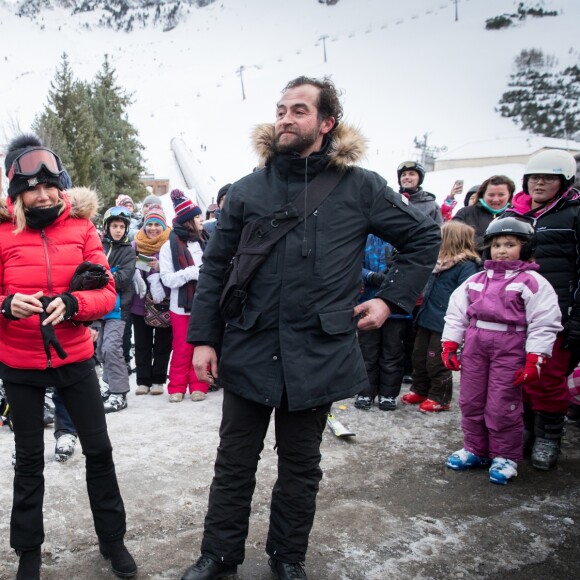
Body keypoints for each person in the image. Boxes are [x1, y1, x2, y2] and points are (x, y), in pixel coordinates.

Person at [181, 76, 440, 580]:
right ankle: (219, 555)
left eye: (299, 110)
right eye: (280, 109)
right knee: (234, 463)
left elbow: (423, 237)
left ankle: (288, 558)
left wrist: (390, 299)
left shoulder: (361, 187)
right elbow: (215, 268)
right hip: (250, 345)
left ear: (326, 123)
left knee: (300, 467)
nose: (285, 118)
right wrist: (204, 339)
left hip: (319, 350)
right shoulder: (246, 190)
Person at [0, 135, 137, 578]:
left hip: (75, 358)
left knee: (99, 450)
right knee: (28, 459)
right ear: (15, 191)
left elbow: (107, 291)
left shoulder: (81, 228)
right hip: (20, 363)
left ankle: (112, 541)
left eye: (49, 184)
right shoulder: (2, 232)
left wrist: (76, 303)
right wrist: (5, 304)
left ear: (61, 185)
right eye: (31, 187)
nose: (42, 195)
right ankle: (29, 554)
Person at [442, 217, 562, 484]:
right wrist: (451, 343)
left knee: (502, 403)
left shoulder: (531, 282)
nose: (502, 250)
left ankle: (505, 455)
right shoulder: (476, 279)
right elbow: (456, 313)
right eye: (496, 245)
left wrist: (535, 357)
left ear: (526, 248)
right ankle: (475, 448)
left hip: (510, 346)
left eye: (510, 244)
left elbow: (544, 321)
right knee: (471, 400)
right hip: (475, 343)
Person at [502, 149, 580, 469]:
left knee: (547, 379)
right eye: (534, 177)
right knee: (517, 377)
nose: (539, 183)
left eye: (548, 178)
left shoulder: (574, 214)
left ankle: (549, 436)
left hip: (556, 315)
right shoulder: (511, 216)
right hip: (514, 314)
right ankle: (525, 430)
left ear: (564, 182)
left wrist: (577, 317)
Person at [402, 221, 480, 412]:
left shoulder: (466, 266)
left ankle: (440, 397)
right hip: (426, 317)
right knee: (419, 356)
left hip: (444, 322)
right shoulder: (438, 264)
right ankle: (420, 389)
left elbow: (466, 294)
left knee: (436, 360)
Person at [160, 190, 209, 402]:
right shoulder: (168, 247)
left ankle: (199, 385)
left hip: (205, 304)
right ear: (188, 220)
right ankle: (177, 387)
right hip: (180, 306)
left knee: (202, 345)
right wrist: (192, 272)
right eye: (198, 217)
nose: (202, 220)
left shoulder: (205, 242)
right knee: (181, 347)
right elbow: (167, 279)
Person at [353, 235, 411, 411]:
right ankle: (365, 391)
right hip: (367, 303)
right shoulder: (364, 238)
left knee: (392, 351)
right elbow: (355, 265)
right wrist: (371, 276)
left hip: (396, 307)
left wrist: (394, 272)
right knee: (367, 351)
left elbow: (413, 266)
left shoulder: (403, 237)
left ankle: (388, 393)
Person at [130, 207, 172, 396]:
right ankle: (143, 380)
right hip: (140, 302)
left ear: (163, 226)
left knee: (163, 343)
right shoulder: (135, 244)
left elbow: (179, 267)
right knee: (142, 343)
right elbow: (129, 265)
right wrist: (143, 266)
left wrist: (161, 266)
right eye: (150, 224)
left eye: (157, 225)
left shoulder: (171, 244)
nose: (153, 228)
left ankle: (158, 380)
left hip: (165, 301)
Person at [99, 206, 136, 413]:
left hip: (118, 308)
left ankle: (119, 392)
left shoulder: (128, 252)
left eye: (122, 226)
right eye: (114, 226)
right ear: (107, 227)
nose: (118, 230)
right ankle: (109, 385)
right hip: (99, 307)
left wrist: (100, 277)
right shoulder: (99, 246)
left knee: (112, 348)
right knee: (100, 350)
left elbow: (122, 279)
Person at [453, 175, 515, 254]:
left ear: (509, 195)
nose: (496, 199)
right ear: (483, 194)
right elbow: (455, 240)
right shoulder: (465, 213)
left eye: (501, 195)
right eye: (491, 195)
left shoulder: (516, 216)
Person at [397, 160, 443, 225]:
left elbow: (438, 231)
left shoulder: (431, 206)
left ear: (420, 178)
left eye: (411, 174)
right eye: (403, 175)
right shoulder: (392, 201)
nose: (406, 177)